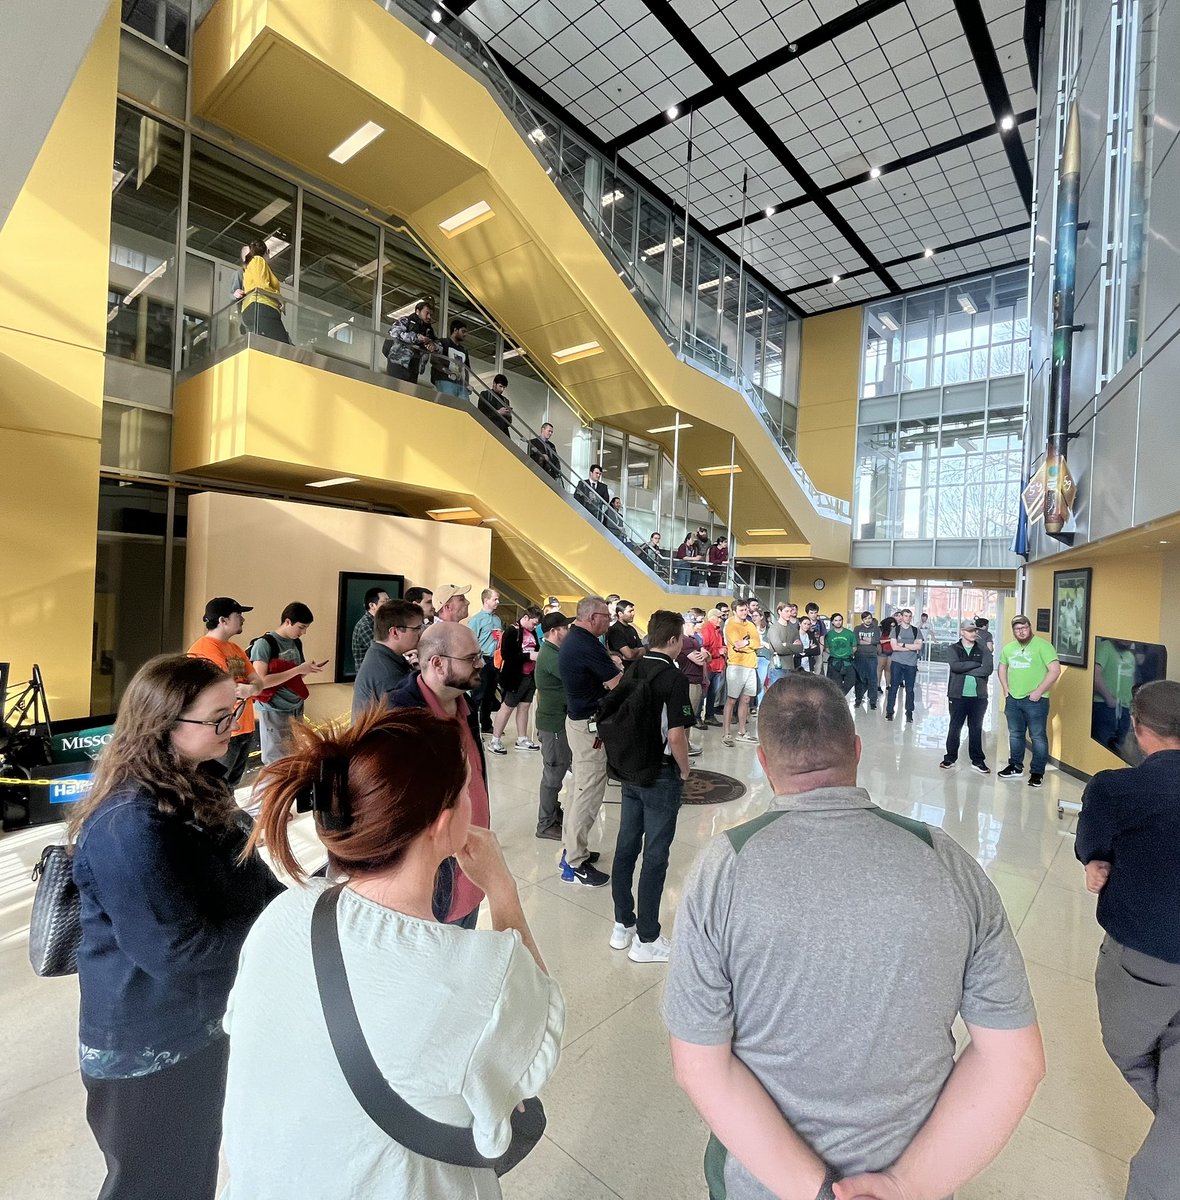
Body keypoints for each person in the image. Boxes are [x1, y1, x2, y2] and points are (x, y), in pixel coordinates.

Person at [663, 672, 1045, 1200]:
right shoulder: (947, 861)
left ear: (764, 763)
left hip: (761, 1183)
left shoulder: (721, 871)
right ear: (857, 751)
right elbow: (1014, 1061)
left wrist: (818, 1192)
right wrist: (904, 1185)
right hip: (913, 1174)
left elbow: (700, 1065)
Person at [221, 707, 564, 1200]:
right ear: (443, 824)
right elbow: (536, 1039)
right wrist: (503, 891)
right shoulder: (483, 975)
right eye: (467, 789)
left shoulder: (283, 915)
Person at [69, 655, 283, 1200]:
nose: (232, 726)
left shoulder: (199, 785)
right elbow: (175, 949)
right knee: (152, 1184)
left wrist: (306, 907)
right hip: (147, 1041)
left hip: (199, 1021)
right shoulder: (127, 824)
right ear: (164, 725)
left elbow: (252, 881)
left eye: (232, 711)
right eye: (217, 717)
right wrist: (281, 931)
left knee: (189, 1174)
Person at [1075, 680, 1180, 1200]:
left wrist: (1098, 862)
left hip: (1146, 959)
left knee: (1128, 1048)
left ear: (1139, 731)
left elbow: (1092, 844)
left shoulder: (1117, 788)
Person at [387, 622, 489, 928]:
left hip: (471, 869)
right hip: (431, 886)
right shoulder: (400, 717)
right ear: (437, 663)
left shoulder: (464, 703)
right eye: (471, 658)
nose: (480, 664)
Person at [610, 610, 695, 964]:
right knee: (656, 856)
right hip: (660, 773)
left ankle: (622, 924)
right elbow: (676, 735)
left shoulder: (634, 667)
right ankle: (647, 938)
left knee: (626, 846)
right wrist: (686, 771)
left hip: (630, 769)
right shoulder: (674, 678)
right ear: (674, 640)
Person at [558, 596, 622, 887]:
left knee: (577, 789)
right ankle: (575, 863)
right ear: (593, 617)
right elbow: (616, 682)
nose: (609, 622)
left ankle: (572, 849)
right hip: (588, 728)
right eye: (607, 617)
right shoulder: (584, 643)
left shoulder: (576, 639)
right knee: (588, 790)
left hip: (579, 721)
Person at [188, 596, 262, 787]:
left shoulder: (235, 648)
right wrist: (247, 689)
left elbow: (257, 682)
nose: (243, 619)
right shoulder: (204, 649)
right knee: (215, 787)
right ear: (223, 620)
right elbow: (226, 689)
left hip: (243, 727)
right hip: (221, 730)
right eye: (239, 615)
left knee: (232, 785)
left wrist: (250, 688)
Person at [248, 602, 326, 764]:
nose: (303, 632)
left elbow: (293, 678)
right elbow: (260, 681)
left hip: (295, 706)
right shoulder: (264, 644)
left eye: (306, 628)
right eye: (301, 627)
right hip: (274, 708)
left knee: (293, 755)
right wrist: (297, 670)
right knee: (276, 759)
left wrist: (306, 670)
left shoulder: (296, 642)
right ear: (288, 621)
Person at [997, 613, 1062, 788]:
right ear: (1013, 631)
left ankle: (1037, 773)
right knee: (1015, 734)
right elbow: (1002, 667)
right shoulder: (1008, 648)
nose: (1021, 631)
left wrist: (1039, 691)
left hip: (1036, 700)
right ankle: (1015, 766)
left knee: (1038, 736)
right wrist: (1005, 688)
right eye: (1018, 629)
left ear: (1030, 627)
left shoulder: (1043, 646)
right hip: (1013, 699)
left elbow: (1055, 670)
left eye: (1024, 627)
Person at [351, 598, 425, 720]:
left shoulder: (381, 657)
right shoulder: (388, 676)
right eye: (416, 629)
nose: (420, 634)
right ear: (395, 632)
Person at [534, 611, 572, 841]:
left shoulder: (554, 652)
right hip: (554, 724)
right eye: (566, 628)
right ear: (556, 631)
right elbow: (575, 677)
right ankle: (545, 824)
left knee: (556, 770)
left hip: (558, 721)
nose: (569, 631)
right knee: (553, 774)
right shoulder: (550, 655)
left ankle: (553, 813)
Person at [940, 619, 994, 774]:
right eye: (970, 630)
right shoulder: (953, 649)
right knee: (954, 726)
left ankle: (978, 760)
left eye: (975, 631)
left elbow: (987, 669)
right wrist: (976, 664)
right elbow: (955, 666)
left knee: (976, 728)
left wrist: (965, 667)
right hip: (957, 694)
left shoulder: (983, 649)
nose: (973, 633)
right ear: (962, 632)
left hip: (978, 696)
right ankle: (950, 758)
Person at [490, 606, 543, 754]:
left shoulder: (531, 632)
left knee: (525, 706)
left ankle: (522, 737)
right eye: (533, 623)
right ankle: (495, 738)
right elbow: (507, 655)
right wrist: (528, 656)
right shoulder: (512, 631)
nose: (534, 626)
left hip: (529, 675)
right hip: (515, 676)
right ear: (525, 618)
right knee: (507, 707)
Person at [722, 599, 760, 747]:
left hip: (751, 665)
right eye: (742, 610)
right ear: (735, 611)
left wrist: (747, 643)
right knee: (731, 700)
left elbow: (757, 643)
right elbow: (737, 644)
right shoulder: (730, 625)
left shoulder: (750, 625)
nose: (745, 612)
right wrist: (747, 644)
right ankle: (726, 733)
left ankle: (742, 732)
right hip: (736, 666)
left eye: (746, 610)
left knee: (746, 700)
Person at [467, 587, 503, 734]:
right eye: (495, 599)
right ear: (486, 600)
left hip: (495, 659)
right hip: (483, 660)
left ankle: (487, 724)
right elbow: (471, 640)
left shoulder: (497, 619)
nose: (497, 602)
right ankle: (472, 726)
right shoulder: (476, 620)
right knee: (478, 694)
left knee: (490, 693)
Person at [240, 240, 290, 343]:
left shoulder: (249, 266)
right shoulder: (258, 260)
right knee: (282, 344)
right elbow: (261, 285)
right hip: (263, 306)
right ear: (267, 251)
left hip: (251, 308)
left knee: (265, 344)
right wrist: (280, 298)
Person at [385, 299, 437, 383]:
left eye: (431, 314)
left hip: (414, 367)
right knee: (394, 389)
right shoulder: (406, 320)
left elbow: (437, 345)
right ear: (417, 311)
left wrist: (432, 346)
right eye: (426, 313)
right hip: (398, 362)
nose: (429, 317)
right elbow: (394, 332)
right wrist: (416, 338)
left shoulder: (429, 330)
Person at [885, 608, 922, 722]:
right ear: (901, 617)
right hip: (897, 662)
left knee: (910, 689)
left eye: (910, 616)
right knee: (893, 687)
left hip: (911, 663)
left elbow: (919, 647)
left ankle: (909, 712)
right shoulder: (895, 630)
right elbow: (894, 647)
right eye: (906, 616)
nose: (908, 618)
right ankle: (890, 711)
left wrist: (904, 644)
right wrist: (911, 647)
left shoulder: (916, 631)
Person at [677, 609, 709, 732]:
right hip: (689, 681)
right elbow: (700, 660)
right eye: (692, 624)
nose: (696, 626)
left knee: (690, 715)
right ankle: (685, 744)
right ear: (684, 625)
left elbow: (707, 656)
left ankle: (687, 742)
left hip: (696, 680)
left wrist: (705, 655)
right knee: (687, 715)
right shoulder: (685, 641)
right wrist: (705, 655)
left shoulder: (694, 640)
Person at [350, 586, 389, 675]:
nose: (388, 605)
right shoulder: (365, 626)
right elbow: (382, 651)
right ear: (372, 605)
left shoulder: (380, 623)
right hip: (369, 679)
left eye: (389, 601)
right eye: (384, 601)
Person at [763, 602, 802, 689]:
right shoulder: (774, 629)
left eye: (790, 611)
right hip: (777, 668)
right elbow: (779, 649)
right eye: (786, 611)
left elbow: (800, 648)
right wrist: (792, 646)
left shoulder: (793, 629)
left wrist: (786, 645)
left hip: (791, 667)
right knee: (775, 696)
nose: (789, 613)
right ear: (779, 611)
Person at [701, 607, 726, 726]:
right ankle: (697, 717)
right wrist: (718, 652)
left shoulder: (717, 630)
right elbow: (704, 649)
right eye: (719, 617)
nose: (721, 619)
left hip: (717, 666)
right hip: (710, 666)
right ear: (713, 618)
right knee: (704, 693)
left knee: (712, 693)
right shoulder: (707, 630)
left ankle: (709, 716)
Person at [431, 317, 469, 398]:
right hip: (444, 379)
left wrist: (466, 383)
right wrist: (445, 370)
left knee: (463, 407)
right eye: (463, 331)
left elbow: (467, 369)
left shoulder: (464, 351)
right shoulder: (443, 342)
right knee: (449, 403)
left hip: (460, 383)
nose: (465, 334)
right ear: (455, 330)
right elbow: (434, 359)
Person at [824, 612, 856, 696]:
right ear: (832, 622)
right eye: (836, 620)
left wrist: (847, 654)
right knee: (835, 684)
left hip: (847, 661)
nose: (838, 622)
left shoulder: (850, 633)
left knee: (852, 680)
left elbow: (854, 647)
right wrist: (836, 654)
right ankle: (838, 698)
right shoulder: (829, 635)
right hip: (834, 662)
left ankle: (840, 696)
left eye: (840, 620)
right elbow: (827, 648)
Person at [852, 611, 880, 709]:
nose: (868, 620)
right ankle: (858, 699)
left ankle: (872, 701)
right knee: (859, 679)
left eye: (869, 618)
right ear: (862, 620)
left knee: (872, 679)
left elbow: (876, 640)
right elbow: (856, 641)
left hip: (872, 656)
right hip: (859, 656)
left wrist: (863, 640)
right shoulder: (857, 628)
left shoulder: (876, 628)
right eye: (866, 618)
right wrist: (869, 641)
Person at [606, 599, 645, 664]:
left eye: (633, 611)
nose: (633, 614)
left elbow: (643, 651)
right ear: (620, 614)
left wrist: (634, 652)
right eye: (630, 611)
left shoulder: (632, 629)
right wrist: (637, 651)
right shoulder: (615, 630)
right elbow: (628, 654)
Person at [877, 613, 897, 694]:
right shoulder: (881, 630)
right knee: (879, 669)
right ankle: (877, 686)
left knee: (888, 669)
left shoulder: (895, 631)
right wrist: (889, 640)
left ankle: (888, 685)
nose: (892, 627)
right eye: (891, 626)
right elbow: (878, 640)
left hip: (891, 651)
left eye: (894, 626)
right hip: (882, 651)